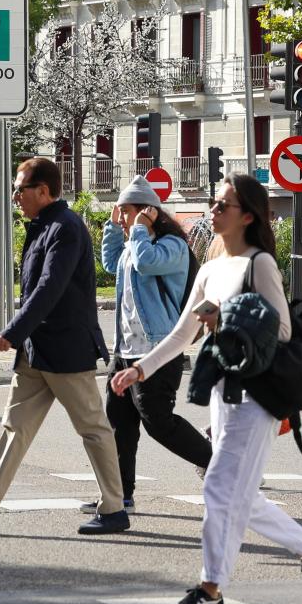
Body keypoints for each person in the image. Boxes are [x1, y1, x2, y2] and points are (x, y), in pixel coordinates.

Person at [110, 173, 302, 604]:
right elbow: (181, 334)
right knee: (239, 493)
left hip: (258, 396)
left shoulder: (259, 264)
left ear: (247, 216)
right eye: (213, 204)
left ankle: (210, 588)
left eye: (222, 206)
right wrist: (139, 369)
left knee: (217, 484)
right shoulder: (211, 267)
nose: (212, 211)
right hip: (223, 388)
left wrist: (227, 318)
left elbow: (284, 330)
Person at [0, 157, 129, 536]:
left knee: (93, 429)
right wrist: (23, 337)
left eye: (20, 188)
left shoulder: (65, 228)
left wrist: (13, 331)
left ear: (43, 190)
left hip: (68, 350)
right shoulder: (42, 227)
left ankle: (115, 508)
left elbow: (48, 288)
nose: (16, 196)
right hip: (38, 353)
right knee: (14, 428)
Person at [84, 176, 212, 513]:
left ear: (147, 213)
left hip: (158, 351)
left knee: (158, 422)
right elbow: (113, 263)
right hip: (125, 351)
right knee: (119, 426)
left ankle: (218, 464)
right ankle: (118, 496)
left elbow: (146, 262)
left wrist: (139, 227)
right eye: (121, 213)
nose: (123, 218)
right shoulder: (133, 244)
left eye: (127, 212)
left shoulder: (172, 248)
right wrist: (114, 228)